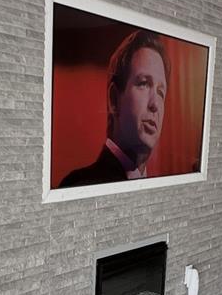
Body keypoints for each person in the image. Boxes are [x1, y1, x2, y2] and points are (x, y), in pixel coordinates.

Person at [59, 29, 170, 187]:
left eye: (161, 92)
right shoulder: (79, 185)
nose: (155, 104)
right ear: (114, 99)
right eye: (144, 83)